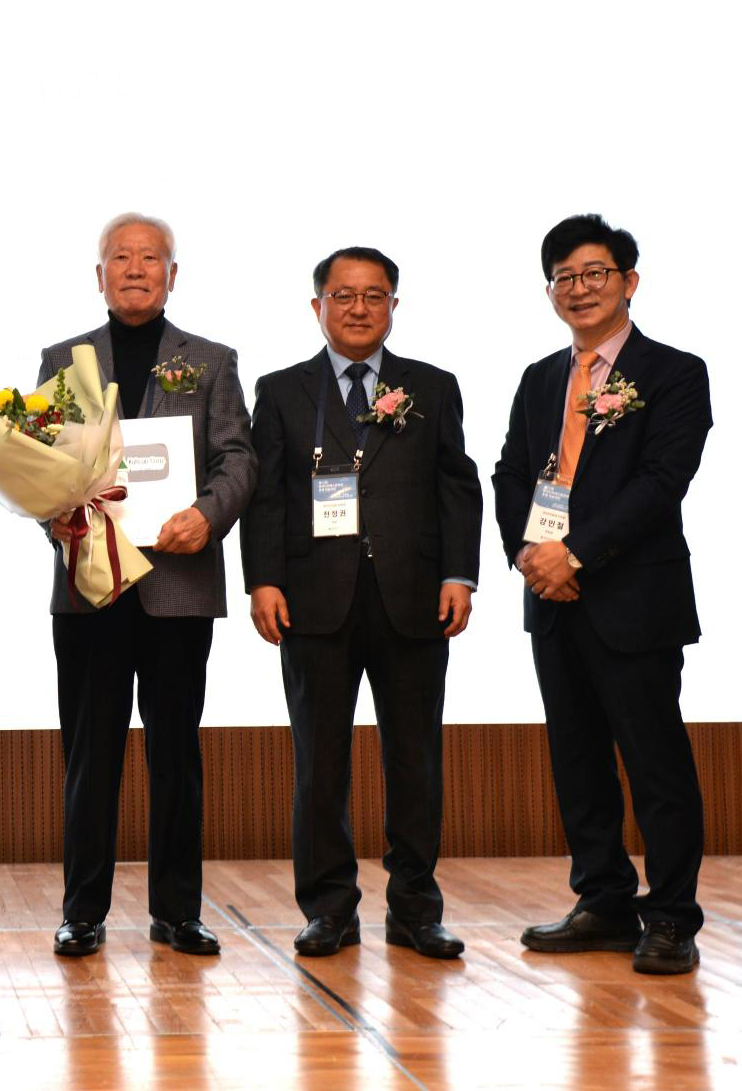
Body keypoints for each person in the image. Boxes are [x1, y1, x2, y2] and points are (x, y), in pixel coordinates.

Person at [240, 246, 481, 959]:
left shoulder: (431, 386)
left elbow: (456, 485)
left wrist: (459, 575)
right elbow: (266, 495)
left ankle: (415, 909)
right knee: (320, 763)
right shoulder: (281, 391)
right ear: (317, 306)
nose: (357, 308)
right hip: (314, 602)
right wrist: (262, 579)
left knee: (416, 761)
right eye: (342, 295)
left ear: (393, 306)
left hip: (413, 600)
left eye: (373, 295)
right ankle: (329, 909)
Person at [492, 213, 712, 975]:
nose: (579, 289)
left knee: (655, 765)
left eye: (595, 274)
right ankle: (604, 901)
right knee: (577, 760)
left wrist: (576, 554)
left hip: (634, 600)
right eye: (565, 277)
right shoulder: (540, 378)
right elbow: (511, 474)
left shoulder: (674, 373)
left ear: (629, 282)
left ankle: (673, 917)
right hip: (551, 600)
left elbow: (661, 483)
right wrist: (529, 556)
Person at [40, 212, 255, 957]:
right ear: (99, 275)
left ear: (172, 274)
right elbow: (40, 464)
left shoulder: (212, 360)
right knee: (88, 755)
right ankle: (82, 912)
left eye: (151, 257)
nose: (136, 269)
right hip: (91, 588)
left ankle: (177, 912)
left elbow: (239, 459)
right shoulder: (63, 361)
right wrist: (57, 517)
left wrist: (208, 515)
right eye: (121, 257)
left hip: (178, 586)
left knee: (176, 754)